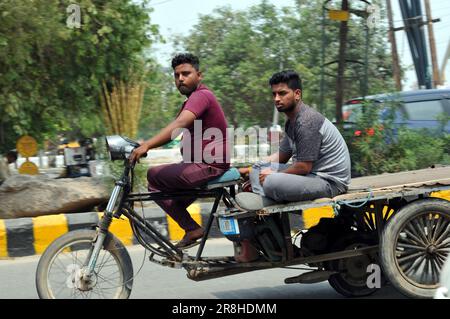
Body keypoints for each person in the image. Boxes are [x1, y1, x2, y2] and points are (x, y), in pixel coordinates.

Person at [130, 53, 230, 248]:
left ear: (199, 75)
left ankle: (192, 228)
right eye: (177, 75)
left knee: (153, 175)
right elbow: (177, 127)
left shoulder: (202, 96)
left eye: (186, 73)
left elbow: (180, 124)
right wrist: (142, 143)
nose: (180, 79)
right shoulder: (191, 100)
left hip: (209, 165)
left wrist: (147, 146)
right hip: (197, 166)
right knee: (158, 190)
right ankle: (191, 228)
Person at [241, 70, 351, 202]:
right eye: (274, 94)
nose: (276, 99)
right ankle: (263, 204)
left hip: (329, 182)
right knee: (259, 168)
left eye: (282, 93)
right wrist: (254, 167)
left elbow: (304, 167)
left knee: (271, 181)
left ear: (297, 94)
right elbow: (281, 156)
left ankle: (264, 207)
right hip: (310, 176)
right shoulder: (291, 122)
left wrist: (274, 173)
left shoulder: (307, 121)